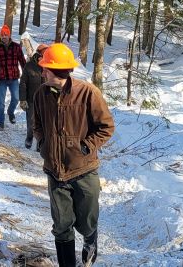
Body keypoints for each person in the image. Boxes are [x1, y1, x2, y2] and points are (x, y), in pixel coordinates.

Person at [32, 43, 115, 267]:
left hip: (84, 170)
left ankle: (90, 239)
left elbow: (106, 126)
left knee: (87, 221)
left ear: (55, 71)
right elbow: (36, 123)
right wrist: (42, 143)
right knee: (61, 225)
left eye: (45, 68)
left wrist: (87, 146)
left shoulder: (88, 93)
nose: (42, 72)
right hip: (55, 172)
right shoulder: (41, 94)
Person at [0, 25, 25, 130]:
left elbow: (22, 62)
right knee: (0, 102)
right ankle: (0, 123)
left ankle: (10, 112)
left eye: (6, 35)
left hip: (13, 78)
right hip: (1, 79)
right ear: (0, 36)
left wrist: (26, 74)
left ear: (9, 35)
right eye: (2, 35)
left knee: (16, 98)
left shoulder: (16, 47)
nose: (4, 37)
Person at [19, 44, 50, 149]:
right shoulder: (29, 66)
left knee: (43, 123)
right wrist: (22, 99)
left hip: (45, 100)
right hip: (31, 99)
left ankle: (39, 143)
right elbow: (23, 83)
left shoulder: (49, 67)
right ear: (38, 54)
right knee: (31, 121)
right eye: (43, 54)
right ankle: (29, 137)